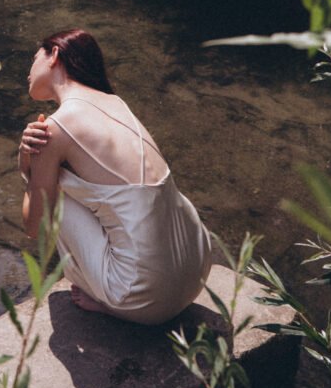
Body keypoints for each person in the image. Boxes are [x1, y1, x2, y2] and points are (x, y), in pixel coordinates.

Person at [18, 29, 212, 325]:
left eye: (34, 58)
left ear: (54, 55)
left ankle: (112, 301)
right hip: (196, 270)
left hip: (144, 298)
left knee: (54, 190)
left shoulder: (54, 129)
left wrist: (26, 158)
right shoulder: (117, 104)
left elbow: (34, 226)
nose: (28, 72)